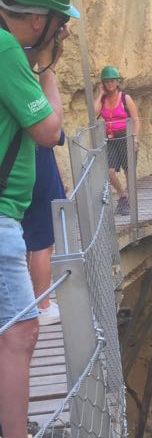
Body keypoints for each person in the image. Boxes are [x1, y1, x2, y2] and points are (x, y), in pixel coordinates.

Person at [0, 0, 78, 438]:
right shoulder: (7, 48)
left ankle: (12, 434)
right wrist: (48, 67)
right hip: (1, 214)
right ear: (36, 18)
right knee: (20, 332)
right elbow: (49, 130)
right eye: (55, 21)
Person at [21, 129, 66, 325]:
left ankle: (21, 303)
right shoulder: (28, 99)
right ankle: (43, 306)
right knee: (42, 244)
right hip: (36, 173)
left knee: (18, 240)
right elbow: (55, 135)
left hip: (11, 177)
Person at [94, 65, 140, 215]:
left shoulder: (125, 98)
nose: (110, 84)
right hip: (110, 139)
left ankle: (131, 202)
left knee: (128, 171)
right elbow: (93, 114)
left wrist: (134, 138)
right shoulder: (103, 99)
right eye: (106, 81)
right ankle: (123, 196)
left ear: (117, 81)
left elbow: (136, 120)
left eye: (112, 80)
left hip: (125, 136)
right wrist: (100, 95)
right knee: (109, 172)